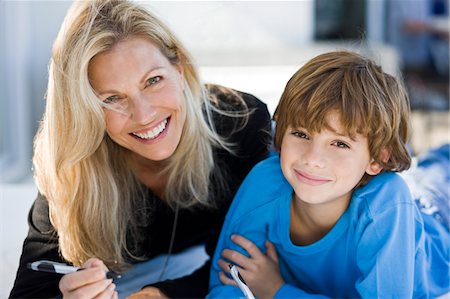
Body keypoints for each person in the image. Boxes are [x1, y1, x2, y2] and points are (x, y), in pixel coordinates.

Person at [9, 0, 272, 298]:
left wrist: (162, 294)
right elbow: (29, 290)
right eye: (112, 98)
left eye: (153, 80)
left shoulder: (241, 122)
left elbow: (247, 266)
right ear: (86, 109)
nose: (144, 115)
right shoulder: (72, 161)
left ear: (180, 69)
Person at [207, 51, 449, 298]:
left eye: (340, 144)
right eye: (301, 134)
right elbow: (225, 286)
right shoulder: (265, 182)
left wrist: (278, 292)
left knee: (438, 172)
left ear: (377, 159)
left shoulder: (388, 202)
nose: (312, 159)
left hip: (437, 216)